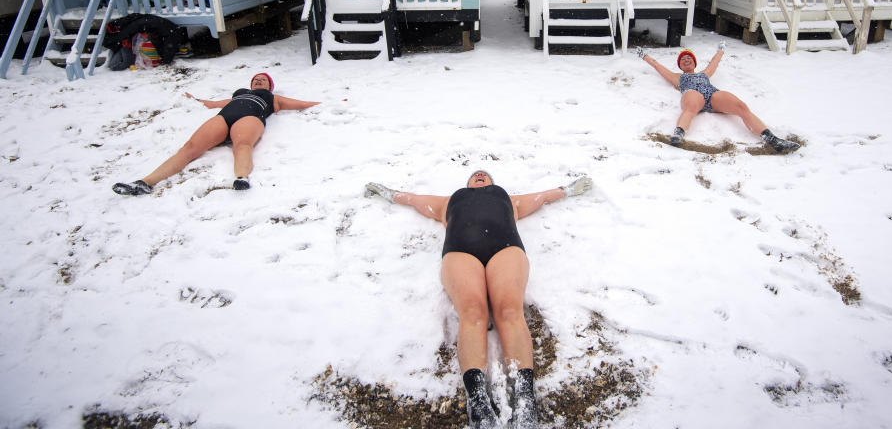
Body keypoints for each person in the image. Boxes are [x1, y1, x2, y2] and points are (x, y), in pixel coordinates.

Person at [364, 170, 593, 429]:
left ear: (492, 182)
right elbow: (416, 200)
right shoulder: (449, 201)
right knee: (472, 312)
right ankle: (478, 401)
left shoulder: (507, 198)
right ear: (469, 183)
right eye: (475, 175)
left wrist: (568, 189)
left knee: (509, 311)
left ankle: (525, 398)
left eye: (484, 175)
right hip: (461, 252)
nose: (480, 175)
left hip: (505, 250)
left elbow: (541, 197)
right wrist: (389, 194)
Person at [112, 72, 319, 194]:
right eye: (255, 79)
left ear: (269, 86)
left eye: (263, 80)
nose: (258, 81)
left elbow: (300, 104)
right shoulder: (239, 94)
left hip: (249, 119)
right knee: (189, 148)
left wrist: (320, 103)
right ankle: (145, 183)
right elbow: (212, 104)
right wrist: (195, 99)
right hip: (224, 118)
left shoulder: (273, 98)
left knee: (242, 145)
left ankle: (242, 177)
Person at [637, 43, 799, 152]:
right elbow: (658, 66)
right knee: (691, 106)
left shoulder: (704, 73)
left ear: (694, 63)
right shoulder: (677, 77)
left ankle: (772, 139)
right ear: (680, 66)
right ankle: (678, 134)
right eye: (683, 60)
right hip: (694, 94)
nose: (686, 60)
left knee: (741, 107)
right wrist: (644, 56)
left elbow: (714, 63)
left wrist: (721, 50)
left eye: (689, 58)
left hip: (712, 94)